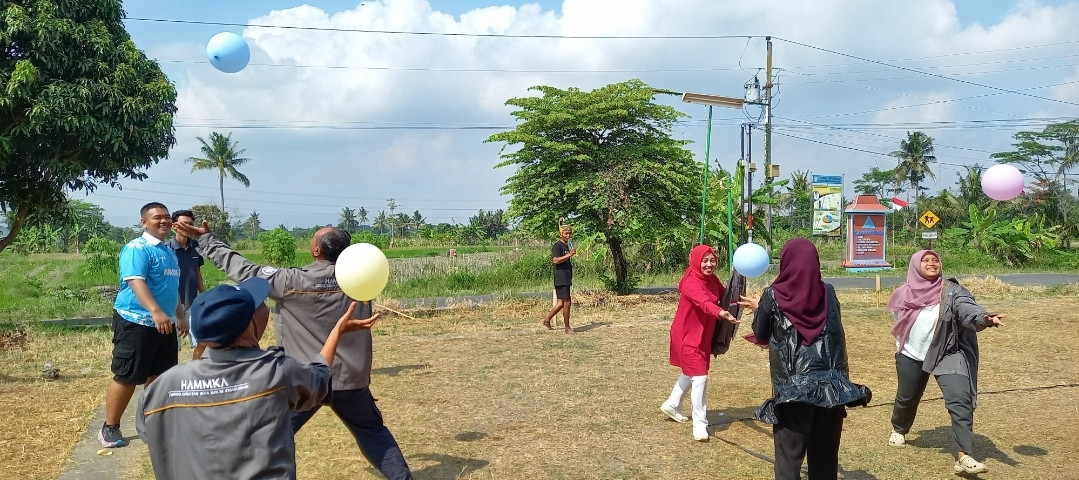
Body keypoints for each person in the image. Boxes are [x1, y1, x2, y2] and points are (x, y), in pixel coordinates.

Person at [174, 221, 412, 480]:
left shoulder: (292, 281)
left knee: (270, 436)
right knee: (373, 432)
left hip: (302, 379)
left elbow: (243, 270)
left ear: (317, 251)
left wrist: (208, 240)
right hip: (350, 379)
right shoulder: (361, 280)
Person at [137, 278, 382, 479]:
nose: (265, 309)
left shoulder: (161, 388)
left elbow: (151, 434)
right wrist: (336, 332)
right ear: (250, 325)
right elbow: (318, 378)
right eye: (259, 306)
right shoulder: (275, 372)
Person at [740, 238, 870, 480]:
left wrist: (761, 307)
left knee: (789, 459)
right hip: (833, 389)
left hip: (793, 391)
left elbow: (760, 332)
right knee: (825, 459)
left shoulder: (773, 295)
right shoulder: (828, 292)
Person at [886, 250, 1005, 475]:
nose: (932, 264)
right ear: (914, 266)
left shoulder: (952, 292)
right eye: (926, 260)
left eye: (936, 260)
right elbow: (901, 324)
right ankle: (899, 428)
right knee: (907, 397)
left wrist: (984, 318)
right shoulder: (903, 294)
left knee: (960, 398)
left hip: (948, 352)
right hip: (912, 353)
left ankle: (964, 455)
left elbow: (967, 308)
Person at [100, 202, 187, 448]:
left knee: (160, 376)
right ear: (144, 222)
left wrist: (179, 315)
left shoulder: (169, 251)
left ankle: (154, 423)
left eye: (167, 217)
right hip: (136, 321)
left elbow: (173, 288)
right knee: (128, 375)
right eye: (157, 217)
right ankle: (110, 427)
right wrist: (156, 311)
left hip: (165, 323)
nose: (164, 221)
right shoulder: (137, 248)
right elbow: (136, 281)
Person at [660, 244, 740, 442]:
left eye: (712, 260)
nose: (709, 264)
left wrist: (744, 301)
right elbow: (705, 303)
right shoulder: (691, 281)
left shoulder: (711, 279)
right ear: (695, 261)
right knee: (700, 377)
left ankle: (672, 403)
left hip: (703, 334)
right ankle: (700, 424)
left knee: (692, 372)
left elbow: (725, 295)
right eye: (704, 260)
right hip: (687, 335)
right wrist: (721, 313)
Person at [169, 209, 207, 360]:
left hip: (192, 302)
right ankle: (171, 378)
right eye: (184, 224)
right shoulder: (167, 249)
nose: (188, 227)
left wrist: (204, 297)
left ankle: (196, 373)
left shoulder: (195, 247)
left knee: (202, 341)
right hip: (171, 305)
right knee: (171, 346)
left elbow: (197, 273)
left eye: (191, 224)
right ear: (175, 226)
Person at [541, 224, 576, 333]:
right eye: (566, 233)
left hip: (566, 276)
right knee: (567, 302)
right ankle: (567, 328)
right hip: (561, 277)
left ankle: (547, 320)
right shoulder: (558, 246)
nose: (568, 235)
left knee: (562, 302)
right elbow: (555, 260)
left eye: (569, 233)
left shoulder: (567, 246)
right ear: (561, 234)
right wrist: (569, 255)